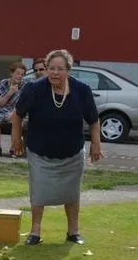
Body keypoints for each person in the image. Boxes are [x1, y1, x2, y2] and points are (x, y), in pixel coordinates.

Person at [12, 50, 103, 246]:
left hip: (72, 153)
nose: (54, 73)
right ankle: (35, 232)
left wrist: (96, 144)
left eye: (60, 69)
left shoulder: (82, 90)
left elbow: (94, 120)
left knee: (72, 193)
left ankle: (73, 231)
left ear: (68, 70)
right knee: (38, 192)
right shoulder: (34, 89)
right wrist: (16, 140)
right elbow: (17, 115)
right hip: (40, 151)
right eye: (51, 68)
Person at [0, 61, 27, 156]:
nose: (20, 76)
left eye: (22, 74)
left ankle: (13, 149)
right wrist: (9, 93)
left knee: (16, 119)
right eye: (18, 73)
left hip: (18, 110)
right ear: (11, 73)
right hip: (3, 109)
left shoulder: (25, 85)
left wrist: (14, 113)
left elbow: (25, 104)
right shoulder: (4, 83)